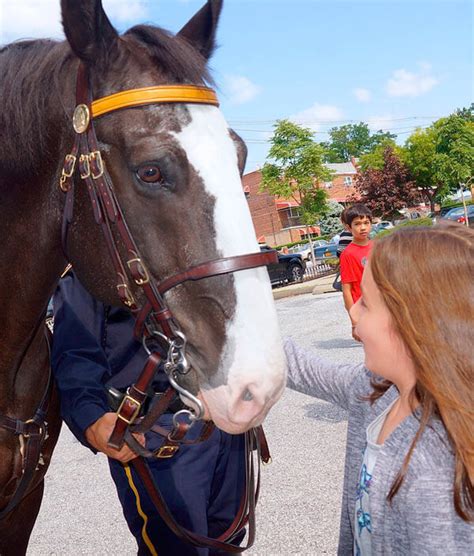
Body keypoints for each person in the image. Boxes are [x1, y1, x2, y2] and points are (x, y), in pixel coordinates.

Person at [285, 222, 474, 554]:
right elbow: (305, 369)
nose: (353, 312)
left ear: (413, 325)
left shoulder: (434, 476)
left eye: (366, 304)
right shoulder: (379, 390)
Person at [51, 271, 246, 556]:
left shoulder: (188, 237)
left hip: (225, 421)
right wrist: (91, 417)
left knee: (228, 543)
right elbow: (75, 352)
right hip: (157, 434)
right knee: (177, 549)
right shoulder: (91, 261)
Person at [339, 204, 372, 340]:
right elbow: (347, 291)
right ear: (348, 227)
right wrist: (354, 323)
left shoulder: (378, 247)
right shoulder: (348, 254)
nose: (363, 227)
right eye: (357, 224)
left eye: (366, 222)